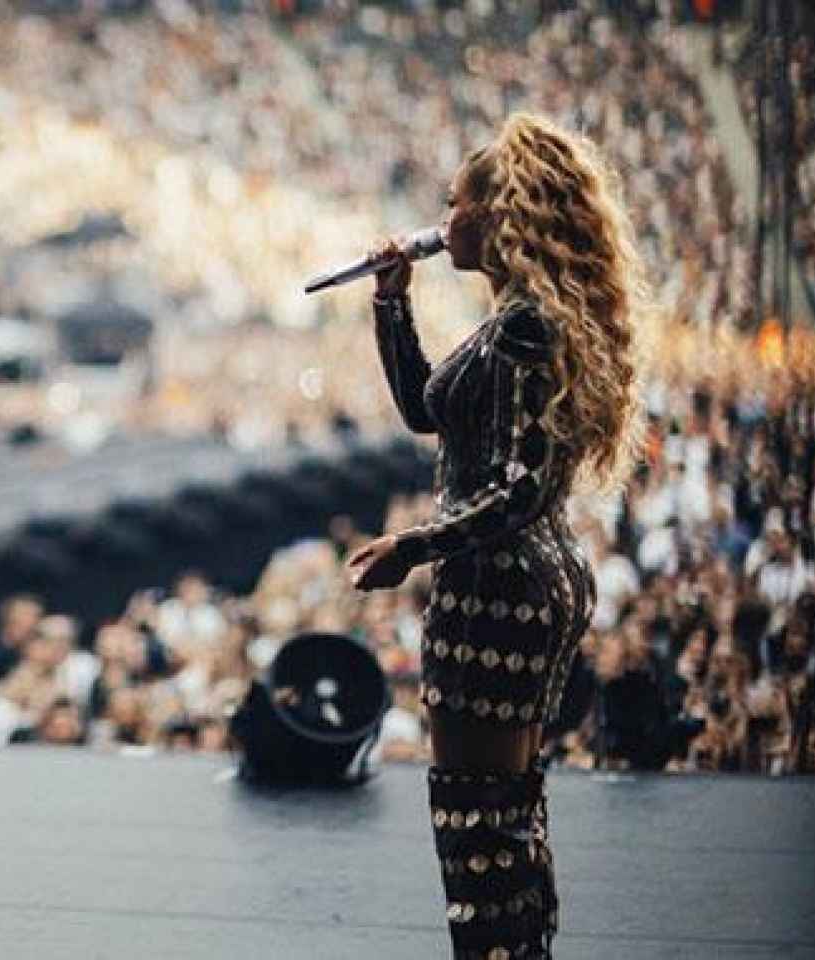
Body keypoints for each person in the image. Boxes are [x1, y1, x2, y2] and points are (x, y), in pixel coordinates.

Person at [347, 113, 649, 959]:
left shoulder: (525, 328)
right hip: (527, 580)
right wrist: (390, 301)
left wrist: (414, 545)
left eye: (456, 205)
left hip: (497, 589)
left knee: (478, 825)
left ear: (499, 214)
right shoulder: (524, 319)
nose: (443, 223)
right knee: (509, 816)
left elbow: (519, 488)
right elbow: (424, 412)